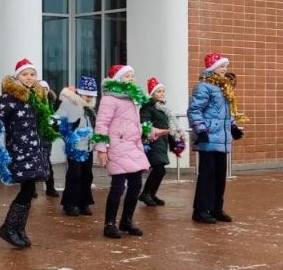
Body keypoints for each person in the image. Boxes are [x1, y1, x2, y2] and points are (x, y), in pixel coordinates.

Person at [0, 59, 57, 249]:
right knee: (27, 189)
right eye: (25, 74)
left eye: (32, 74)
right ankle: (9, 228)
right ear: (17, 77)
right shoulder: (9, 98)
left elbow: (43, 121)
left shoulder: (35, 97)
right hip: (19, 149)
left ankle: (18, 229)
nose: (29, 78)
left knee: (29, 190)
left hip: (34, 148)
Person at [93, 65, 167, 239]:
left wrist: (153, 132)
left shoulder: (132, 98)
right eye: (127, 76)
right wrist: (102, 149)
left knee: (136, 185)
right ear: (117, 79)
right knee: (118, 187)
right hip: (117, 146)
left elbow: (133, 125)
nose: (132, 78)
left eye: (132, 76)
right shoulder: (109, 99)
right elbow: (102, 124)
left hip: (133, 147)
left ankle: (126, 220)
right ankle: (109, 224)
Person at [188, 53, 247, 224]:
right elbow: (194, 110)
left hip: (221, 139)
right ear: (212, 68)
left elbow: (227, 113)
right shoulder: (203, 87)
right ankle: (200, 210)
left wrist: (233, 127)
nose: (225, 69)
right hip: (208, 137)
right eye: (222, 66)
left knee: (220, 176)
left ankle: (216, 208)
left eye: (225, 66)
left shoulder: (223, 86)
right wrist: (200, 129)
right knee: (207, 176)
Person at [139, 77, 186, 207]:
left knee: (161, 170)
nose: (162, 94)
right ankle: (145, 194)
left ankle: (151, 194)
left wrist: (174, 143)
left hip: (162, 142)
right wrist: (157, 133)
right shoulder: (147, 107)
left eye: (163, 91)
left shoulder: (162, 107)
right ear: (152, 93)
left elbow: (168, 126)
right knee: (159, 169)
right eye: (158, 91)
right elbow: (145, 125)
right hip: (152, 142)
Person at [57, 76, 98, 216]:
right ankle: (70, 204)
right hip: (75, 147)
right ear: (80, 93)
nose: (89, 98)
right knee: (74, 174)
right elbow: (58, 120)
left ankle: (83, 202)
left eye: (92, 95)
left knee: (87, 175)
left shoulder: (90, 110)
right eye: (87, 95)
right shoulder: (71, 105)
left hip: (88, 147)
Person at [39, 80, 59, 197]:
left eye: (45, 89)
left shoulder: (51, 102)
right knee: (34, 163)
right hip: (36, 137)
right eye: (41, 89)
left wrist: (55, 122)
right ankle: (31, 189)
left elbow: (54, 118)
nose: (44, 91)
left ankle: (50, 187)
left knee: (47, 162)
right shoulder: (34, 103)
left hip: (46, 137)